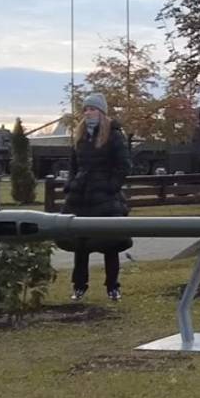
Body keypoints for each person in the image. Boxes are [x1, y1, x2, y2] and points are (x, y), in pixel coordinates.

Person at [63, 93, 132, 301]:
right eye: (85, 109)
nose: (88, 112)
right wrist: (71, 184)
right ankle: (79, 286)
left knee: (110, 243)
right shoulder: (81, 136)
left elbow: (123, 165)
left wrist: (111, 186)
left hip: (105, 198)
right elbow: (74, 164)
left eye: (92, 109)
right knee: (80, 244)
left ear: (101, 111)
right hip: (82, 197)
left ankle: (113, 286)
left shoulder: (113, 135)